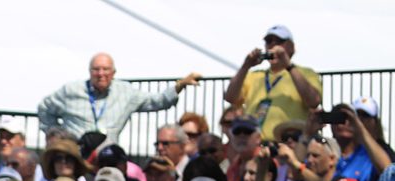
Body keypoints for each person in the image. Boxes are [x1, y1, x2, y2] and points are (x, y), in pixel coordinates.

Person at [36, 52, 201, 144]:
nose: (101, 74)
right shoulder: (71, 90)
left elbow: (157, 101)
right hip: (75, 155)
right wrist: (55, 135)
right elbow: (44, 108)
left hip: (107, 157)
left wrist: (180, 85)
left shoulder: (125, 92)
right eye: (96, 69)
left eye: (106, 69)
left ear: (114, 73)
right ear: (89, 71)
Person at [225, 25, 322, 141]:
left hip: (290, 143)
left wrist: (288, 65)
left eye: (279, 42)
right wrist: (246, 66)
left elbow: (313, 101)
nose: (273, 45)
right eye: (269, 41)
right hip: (256, 145)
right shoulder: (254, 75)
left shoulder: (306, 73)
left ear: (292, 48)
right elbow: (230, 97)